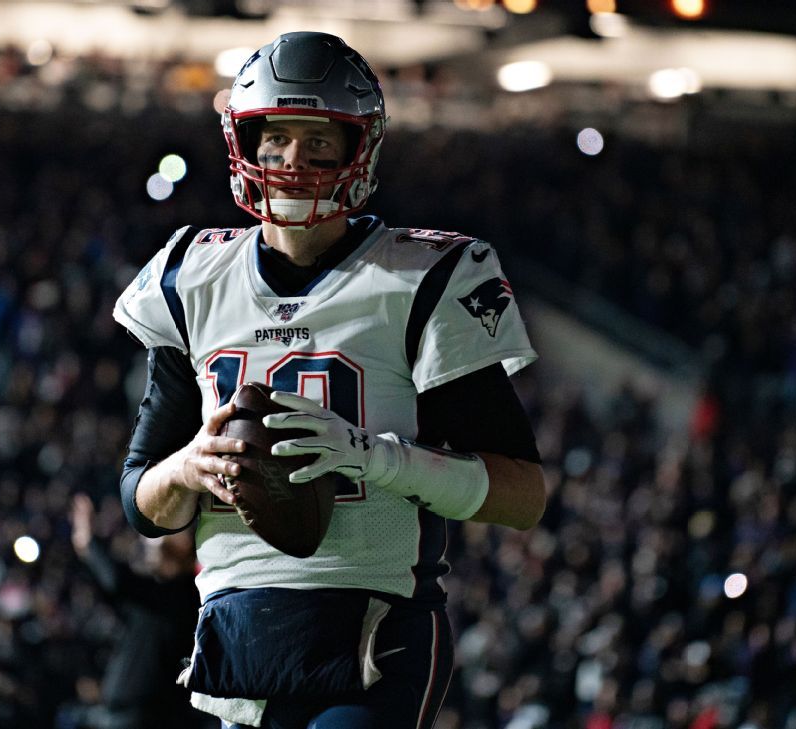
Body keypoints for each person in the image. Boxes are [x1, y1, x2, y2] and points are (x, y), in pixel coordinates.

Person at [112, 31, 547, 728]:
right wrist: (190, 467)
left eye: (319, 141)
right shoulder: (192, 275)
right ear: (244, 144)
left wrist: (376, 456)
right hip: (240, 637)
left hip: (374, 627)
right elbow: (140, 500)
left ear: (358, 150)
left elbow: (523, 496)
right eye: (276, 137)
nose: (292, 160)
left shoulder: (419, 277)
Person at [67, 493, 212, 728]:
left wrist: (89, 543)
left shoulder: (185, 594)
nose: (152, 541)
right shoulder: (156, 596)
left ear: (186, 542)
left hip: (149, 717)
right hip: (121, 714)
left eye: (163, 532)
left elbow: (118, 581)